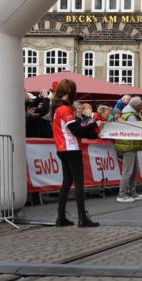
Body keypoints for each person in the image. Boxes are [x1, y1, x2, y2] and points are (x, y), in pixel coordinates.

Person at [51, 79, 100, 228]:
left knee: (66, 183)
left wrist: (94, 133)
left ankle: (61, 217)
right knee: (78, 184)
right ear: (70, 92)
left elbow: (76, 130)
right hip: (71, 149)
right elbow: (76, 131)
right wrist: (93, 125)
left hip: (62, 149)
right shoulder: (65, 109)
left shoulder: (56, 108)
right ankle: (82, 218)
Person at [114, 96, 142, 203]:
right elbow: (136, 130)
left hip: (130, 145)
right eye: (141, 105)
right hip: (129, 145)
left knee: (133, 170)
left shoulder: (127, 113)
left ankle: (132, 192)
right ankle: (122, 194)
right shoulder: (131, 116)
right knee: (128, 171)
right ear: (136, 106)